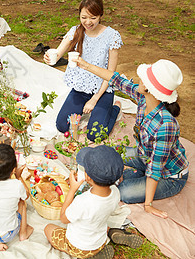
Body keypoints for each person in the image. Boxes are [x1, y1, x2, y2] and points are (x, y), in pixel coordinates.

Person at [75, 57, 189, 219]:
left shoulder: (166, 125)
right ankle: (130, 174)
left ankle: (130, 177)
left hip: (168, 175)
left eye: (145, 79)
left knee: (124, 192)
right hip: (143, 156)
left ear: (149, 89)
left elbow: (155, 169)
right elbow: (116, 79)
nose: (140, 79)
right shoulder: (144, 98)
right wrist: (86, 65)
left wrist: (148, 205)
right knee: (93, 155)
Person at [44, 0, 122, 141]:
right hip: (80, 89)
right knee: (62, 125)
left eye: (93, 18)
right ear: (79, 15)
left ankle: (115, 109)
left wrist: (94, 99)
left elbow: (110, 75)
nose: (88, 22)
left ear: (100, 15)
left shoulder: (112, 36)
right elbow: (58, 52)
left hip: (103, 90)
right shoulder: (75, 31)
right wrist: (50, 58)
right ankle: (90, 110)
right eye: (84, 17)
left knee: (95, 135)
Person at [44, 145, 142, 259]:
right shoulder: (115, 192)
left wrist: (72, 190)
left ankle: (89, 256)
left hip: (78, 247)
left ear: (87, 176)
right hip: (99, 242)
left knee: (48, 228)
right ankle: (111, 233)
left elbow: (63, 218)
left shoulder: (83, 201)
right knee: (96, 223)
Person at [0, 144, 33, 251]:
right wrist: (19, 177)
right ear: (14, 169)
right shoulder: (16, 185)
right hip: (6, 234)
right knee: (22, 203)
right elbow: (26, 195)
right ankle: (23, 233)